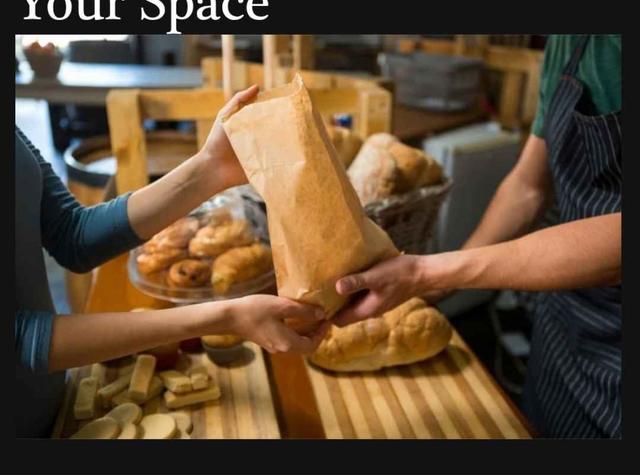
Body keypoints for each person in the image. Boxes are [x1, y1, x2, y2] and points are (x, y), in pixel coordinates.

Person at [332, 35, 621, 438]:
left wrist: (428, 273)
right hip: (563, 320)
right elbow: (528, 187)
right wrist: (435, 286)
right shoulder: (569, 41)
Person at [16, 85, 329, 438]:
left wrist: (211, 167)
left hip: (57, 403)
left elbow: (71, 234)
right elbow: (20, 341)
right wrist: (224, 317)